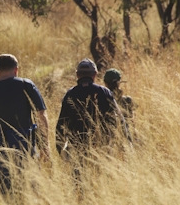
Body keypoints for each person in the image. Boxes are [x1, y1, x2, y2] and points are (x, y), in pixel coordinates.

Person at [0, 54, 50, 193]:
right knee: (30, 193)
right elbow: (41, 116)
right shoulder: (26, 85)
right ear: (16, 70)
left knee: (1, 196)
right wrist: (45, 146)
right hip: (25, 150)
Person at [55, 58, 128, 192]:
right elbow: (119, 120)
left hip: (77, 148)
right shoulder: (105, 92)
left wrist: (60, 149)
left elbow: (61, 124)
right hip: (103, 147)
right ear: (94, 75)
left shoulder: (70, 95)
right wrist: (123, 143)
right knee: (102, 184)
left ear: (77, 75)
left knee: (79, 185)